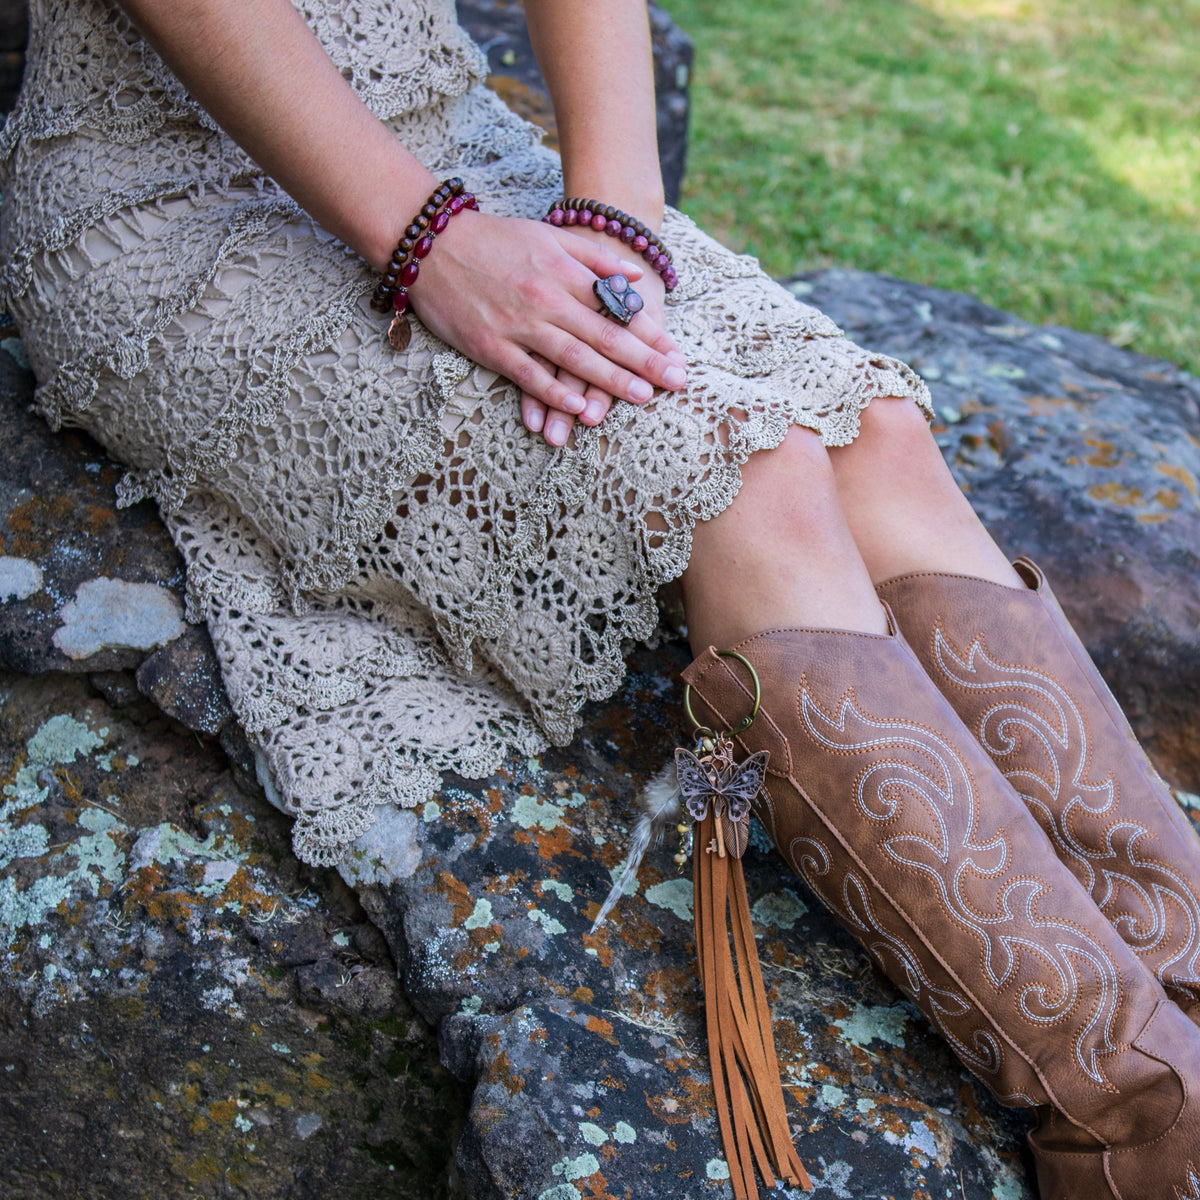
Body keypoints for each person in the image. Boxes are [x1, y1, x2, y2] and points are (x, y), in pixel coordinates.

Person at [2, 1, 1199, 1197]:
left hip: (452, 136)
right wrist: (433, 245)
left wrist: (620, 216)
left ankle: (1184, 1002)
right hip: (178, 201)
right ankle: (1135, 1128)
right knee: (749, 481)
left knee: (875, 433)